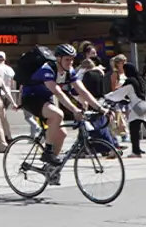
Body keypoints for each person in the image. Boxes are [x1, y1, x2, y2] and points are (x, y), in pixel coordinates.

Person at [20, 43, 103, 180]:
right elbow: (58, 93)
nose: (70, 63)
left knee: (62, 133)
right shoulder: (47, 69)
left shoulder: (69, 71)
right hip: (31, 98)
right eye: (67, 60)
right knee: (58, 114)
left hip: (46, 99)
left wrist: (100, 108)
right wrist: (74, 109)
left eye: (72, 60)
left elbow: (82, 90)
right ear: (58, 59)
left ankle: (50, 168)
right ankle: (47, 152)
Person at [105, 54, 146, 157]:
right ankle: (136, 151)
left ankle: (136, 152)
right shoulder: (140, 80)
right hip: (144, 107)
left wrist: (107, 96)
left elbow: (118, 94)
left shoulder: (130, 82)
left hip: (137, 109)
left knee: (140, 130)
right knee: (143, 129)